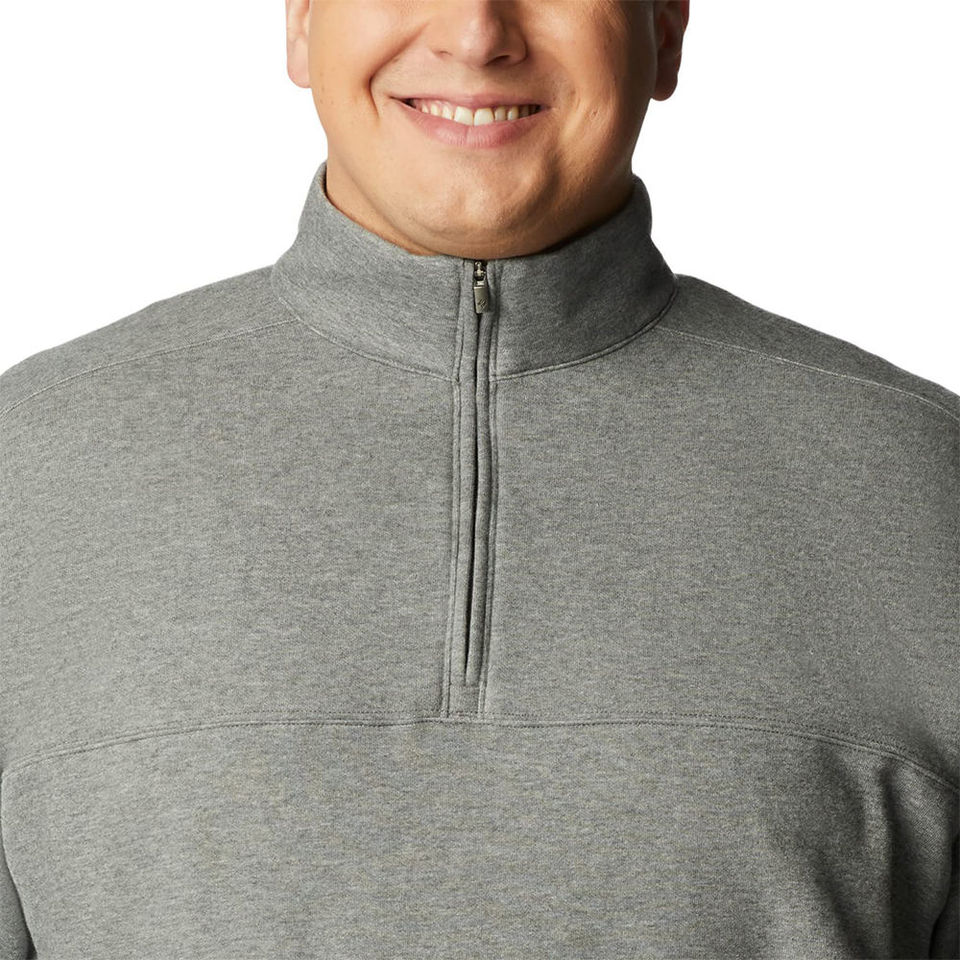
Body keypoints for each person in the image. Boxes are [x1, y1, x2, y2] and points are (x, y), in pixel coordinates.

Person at [1, 1, 957, 957]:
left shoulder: (928, 487)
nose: (475, 34)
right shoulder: (26, 468)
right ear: (301, 20)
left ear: (665, 29)